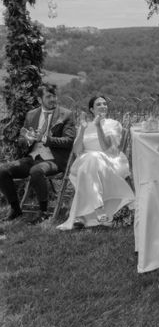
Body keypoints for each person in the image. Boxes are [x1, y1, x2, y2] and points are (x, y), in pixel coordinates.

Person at [0, 83, 75, 222]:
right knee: (2, 170)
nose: (53, 99)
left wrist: (46, 139)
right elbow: (22, 139)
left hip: (54, 159)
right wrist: (27, 140)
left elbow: (69, 141)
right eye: (48, 97)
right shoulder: (31, 114)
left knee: (36, 171)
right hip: (32, 157)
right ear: (40, 100)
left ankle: (44, 212)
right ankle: (15, 209)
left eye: (54, 96)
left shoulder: (66, 114)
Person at [57, 95, 134, 230]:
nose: (103, 106)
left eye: (104, 104)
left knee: (91, 160)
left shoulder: (113, 124)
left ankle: (81, 215)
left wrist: (98, 126)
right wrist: (81, 130)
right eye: (98, 104)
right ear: (91, 109)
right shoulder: (86, 125)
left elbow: (106, 148)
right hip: (86, 162)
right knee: (90, 160)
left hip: (109, 160)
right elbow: (76, 151)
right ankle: (98, 210)